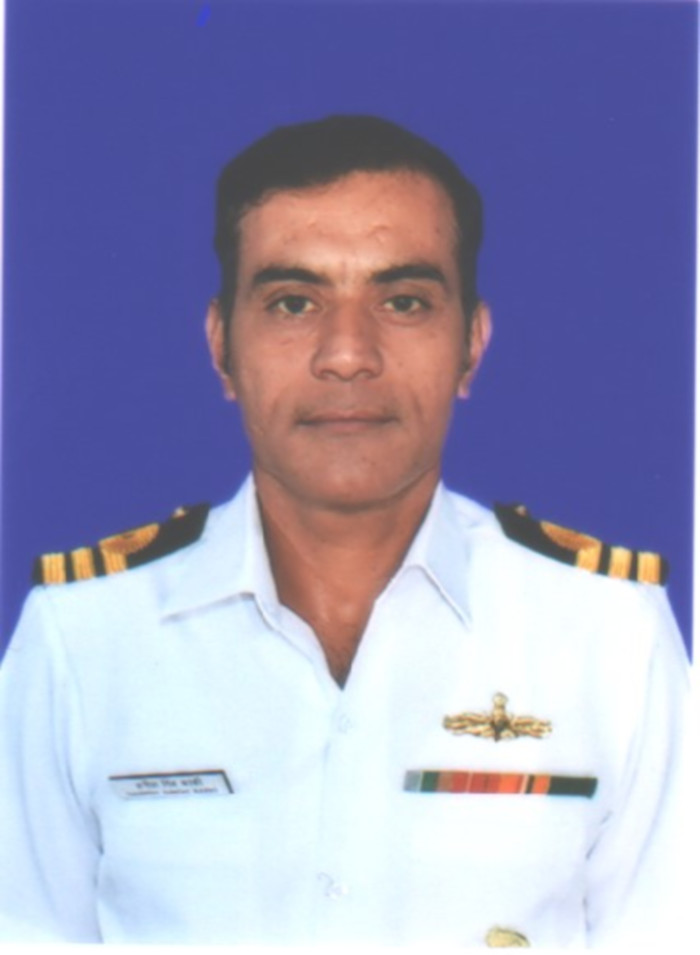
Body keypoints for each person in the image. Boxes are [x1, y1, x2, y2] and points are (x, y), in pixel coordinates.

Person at [0, 115, 692, 947]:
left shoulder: (610, 639)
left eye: (403, 302)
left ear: (471, 345)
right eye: (294, 303)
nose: (347, 354)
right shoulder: (84, 638)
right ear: (222, 347)